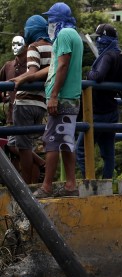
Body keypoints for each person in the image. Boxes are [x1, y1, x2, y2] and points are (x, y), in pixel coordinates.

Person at [14, 3, 82, 198]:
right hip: (71, 97)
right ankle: (70, 185)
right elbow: (54, 65)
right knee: (66, 143)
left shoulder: (63, 35)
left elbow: (62, 66)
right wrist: (29, 77)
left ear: (58, 19)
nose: (49, 23)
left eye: (51, 19)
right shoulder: (74, 35)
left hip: (61, 98)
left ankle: (46, 187)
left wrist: (53, 96)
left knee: (51, 142)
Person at [76, 23, 122, 179]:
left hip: (97, 112)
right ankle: (107, 183)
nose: (97, 43)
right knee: (108, 154)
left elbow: (98, 76)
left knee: (81, 150)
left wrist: (89, 74)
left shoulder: (108, 56)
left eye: (98, 39)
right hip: (112, 113)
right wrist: (121, 79)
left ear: (103, 40)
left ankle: (90, 182)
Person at [11, 15, 52, 185]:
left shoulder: (33, 47)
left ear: (32, 30)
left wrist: (14, 81)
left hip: (25, 101)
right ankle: (34, 182)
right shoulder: (53, 47)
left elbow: (32, 71)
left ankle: (25, 187)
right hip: (41, 102)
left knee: (24, 147)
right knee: (30, 145)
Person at [0, 35, 27, 170]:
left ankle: (39, 165)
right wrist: (3, 96)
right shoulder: (8, 66)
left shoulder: (31, 66)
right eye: (13, 44)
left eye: (19, 44)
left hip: (28, 111)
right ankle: (40, 163)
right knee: (13, 150)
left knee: (25, 147)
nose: (16, 47)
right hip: (12, 113)